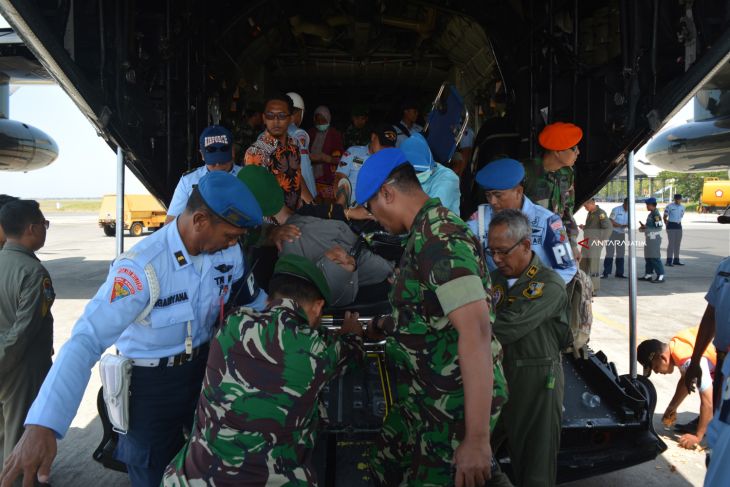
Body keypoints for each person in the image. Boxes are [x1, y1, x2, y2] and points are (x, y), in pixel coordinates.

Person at [0, 172, 267, 487]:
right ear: (200, 221)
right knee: (151, 470)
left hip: (204, 374)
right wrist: (43, 424)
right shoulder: (142, 268)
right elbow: (86, 339)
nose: (234, 243)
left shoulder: (227, 254)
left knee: (205, 465)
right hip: (149, 389)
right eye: (230, 235)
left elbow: (256, 303)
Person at [354, 148, 508, 486]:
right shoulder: (423, 233)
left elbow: (477, 332)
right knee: (383, 465)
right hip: (423, 393)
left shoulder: (441, 239)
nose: (373, 217)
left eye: (370, 207)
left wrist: (477, 441)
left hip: (453, 405)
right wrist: (378, 326)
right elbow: (424, 313)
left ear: (387, 194)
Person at [161, 254, 365, 486]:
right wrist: (352, 331)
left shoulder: (232, 325)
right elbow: (353, 353)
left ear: (270, 300)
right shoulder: (317, 349)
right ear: (318, 307)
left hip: (192, 480)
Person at [488, 209, 572, 487]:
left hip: (536, 383)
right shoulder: (494, 280)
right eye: (492, 252)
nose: (497, 259)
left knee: (534, 470)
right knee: (472, 452)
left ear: (525, 245)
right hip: (498, 377)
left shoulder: (549, 285)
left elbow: (507, 326)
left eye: (503, 252)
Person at [0, 200, 55, 482]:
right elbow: (24, 331)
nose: (45, 230)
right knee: (21, 439)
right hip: (22, 368)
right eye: (44, 224)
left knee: (3, 431)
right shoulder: (33, 273)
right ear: (32, 228)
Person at [467, 158, 578, 285]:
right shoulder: (479, 220)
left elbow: (566, 269)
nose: (492, 201)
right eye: (488, 195)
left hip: (534, 297)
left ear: (518, 191)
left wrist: (536, 292)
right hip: (495, 297)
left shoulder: (546, 221)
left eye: (498, 195)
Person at [637, 327, 717, 449]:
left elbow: (708, 403)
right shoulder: (677, 345)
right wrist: (672, 407)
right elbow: (686, 379)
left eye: (656, 368)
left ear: (663, 358)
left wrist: (698, 436)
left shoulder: (689, 362)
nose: (657, 372)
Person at [245, 94, 314, 212]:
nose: (276, 121)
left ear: (290, 118)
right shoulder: (256, 152)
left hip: (296, 215)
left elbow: (297, 177)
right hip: (272, 222)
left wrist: (312, 206)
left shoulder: (294, 143)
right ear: (264, 118)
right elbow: (260, 195)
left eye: (281, 116)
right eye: (270, 116)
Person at [523, 121, 582, 254]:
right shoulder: (525, 172)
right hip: (528, 246)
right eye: (574, 148)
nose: (578, 152)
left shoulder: (567, 173)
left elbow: (567, 212)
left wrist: (572, 245)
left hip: (555, 244)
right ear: (557, 151)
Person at [166, 125, 242, 224]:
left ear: (232, 152)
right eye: (213, 162)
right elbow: (170, 223)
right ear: (202, 155)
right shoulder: (188, 181)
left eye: (223, 160)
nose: (218, 164)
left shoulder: (247, 177)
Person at [684, 257, 730, 412]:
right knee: (720, 416)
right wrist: (695, 361)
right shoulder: (724, 266)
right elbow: (710, 316)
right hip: (723, 360)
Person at [336, 123, 397, 207]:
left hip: (372, 213)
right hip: (345, 207)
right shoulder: (353, 152)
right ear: (373, 137)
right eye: (382, 144)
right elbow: (340, 177)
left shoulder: (392, 164)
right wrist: (340, 207)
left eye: (388, 147)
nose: (384, 149)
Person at [400, 133, 461, 214]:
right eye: (411, 171)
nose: (414, 175)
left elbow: (431, 215)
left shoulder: (448, 179)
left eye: (418, 171)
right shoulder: (399, 174)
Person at [308, 105, 344, 201]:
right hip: (311, 175)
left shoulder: (335, 134)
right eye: (318, 120)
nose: (320, 123)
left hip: (327, 177)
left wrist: (325, 158)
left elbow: (340, 159)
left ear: (328, 119)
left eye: (323, 120)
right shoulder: (310, 133)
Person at [286, 91, 318, 199]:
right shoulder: (298, 134)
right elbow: (304, 168)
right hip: (294, 197)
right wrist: (313, 196)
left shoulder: (263, 135)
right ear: (300, 113)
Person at [579, 198, 612, 293]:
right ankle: (583, 287)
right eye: (584, 206)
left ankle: (594, 289)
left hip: (594, 244)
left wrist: (602, 239)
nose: (585, 208)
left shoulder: (600, 213)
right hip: (586, 242)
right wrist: (584, 227)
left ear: (592, 203)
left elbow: (608, 227)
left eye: (586, 206)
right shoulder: (590, 213)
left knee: (593, 266)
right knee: (583, 265)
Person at [639, 197, 665, 283]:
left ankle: (660, 275)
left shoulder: (656, 214)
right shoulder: (651, 214)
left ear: (651, 205)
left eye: (647, 205)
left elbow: (659, 227)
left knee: (654, 257)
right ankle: (648, 274)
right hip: (649, 238)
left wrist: (647, 228)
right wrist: (644, 227)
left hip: (654, 238)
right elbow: (651, 226)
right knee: (648, 257)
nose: (646, 206)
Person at [602, 198, 629, 278]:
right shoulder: (616, 210)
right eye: (628, 205)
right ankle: (606, 273)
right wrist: (620, 225)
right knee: (610, 253)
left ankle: (620, 273)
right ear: (625, 203)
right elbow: (610, 221)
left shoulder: (630, 211)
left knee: (621, 253)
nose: (629, 207)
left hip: (621, 234)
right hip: (612, 233)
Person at [664, 194, 686, 266]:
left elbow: (681, 216)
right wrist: (667, 224)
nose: (678, 200)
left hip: (678, 225)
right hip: (671, 225)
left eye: (679, 199)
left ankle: (676, 260)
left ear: (681, 199)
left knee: (677, 244)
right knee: (671, 244)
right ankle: (669, 261)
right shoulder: (669, 206)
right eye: (676, 199)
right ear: (674, 199)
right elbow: (665, 216)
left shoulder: (683, 207)